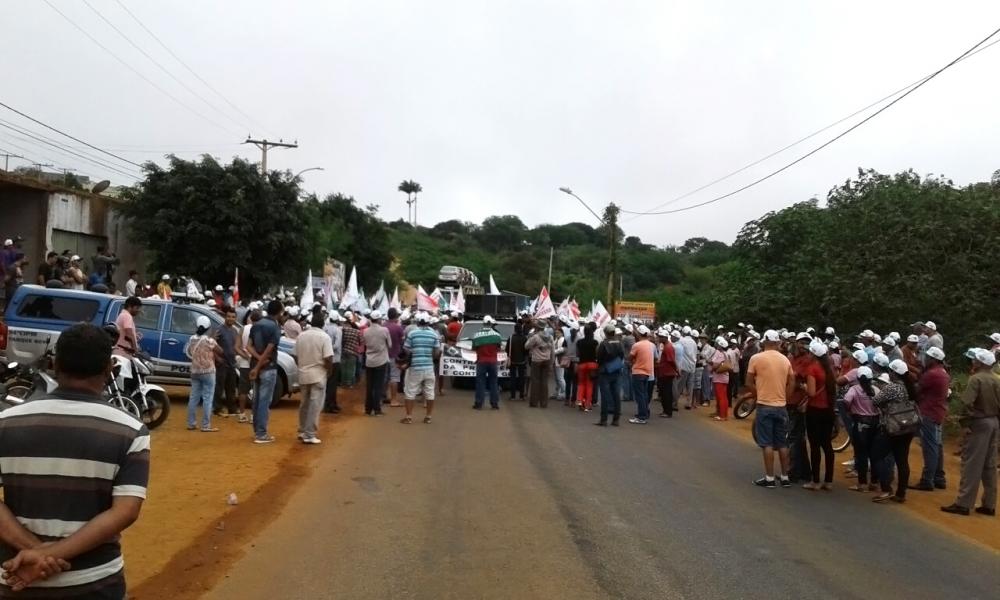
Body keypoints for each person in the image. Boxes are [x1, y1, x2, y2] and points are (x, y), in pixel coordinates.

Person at [0, 323, 149, 598]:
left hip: (18, 577)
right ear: (109, 369)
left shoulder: (6, 422)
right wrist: (50, 555)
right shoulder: (130, 430)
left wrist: (34, 551)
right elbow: (125, 511)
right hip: (94, 581)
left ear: (55, 365)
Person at [941, 348, 999, 516]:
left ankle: (964, 503)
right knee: (989, 464)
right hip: (994, 422)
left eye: (975, 360)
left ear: (980, 363)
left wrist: (965, 422)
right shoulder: (997, 379)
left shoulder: (976, 379)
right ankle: (989, 504)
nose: (973, 362)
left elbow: (967, 402)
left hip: (979, 422)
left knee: (972, 463)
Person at [747, 330, 795, 488]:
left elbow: (748, 382)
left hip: (764, 405)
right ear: (777, 343)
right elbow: (792, 382)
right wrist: (785, 398)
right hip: (781, 406)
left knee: (767, 443)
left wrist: (758, 394)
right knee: (782, 443)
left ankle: (769, 478)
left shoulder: (756, 358)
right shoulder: (785, 360)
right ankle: (785, 476)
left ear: (764, 342)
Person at [871, 360, 920, 503]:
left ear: (893, 373)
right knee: (902, 460)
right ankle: (901, 493)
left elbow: (875, 401)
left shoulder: (892, 387)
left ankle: (886, 488)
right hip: (908, 427)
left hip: (893, 427)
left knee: (876, 455)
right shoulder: (910, 387)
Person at [912, 346, 951, 492]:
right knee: (937, 446)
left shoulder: (932, 374)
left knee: (930, 447)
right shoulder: (943, 373)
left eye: (928, 357)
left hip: (929, 412)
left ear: (933, 359)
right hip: (938, 412)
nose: (925, 359)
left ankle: (927, 479)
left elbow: (917, 390)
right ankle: (939, 478)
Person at [801, 339, 837, 490]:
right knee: (827, 445)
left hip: (815, 410)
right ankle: (828, 480)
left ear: (813, 354)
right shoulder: (829, 369)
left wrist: (802, 386)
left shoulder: (813, 369)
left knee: (815, 446)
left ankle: (815, 480)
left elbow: (811, 392)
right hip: (828, 410)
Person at [247, 300, 283, 443]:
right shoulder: (275, 327)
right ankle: (261, 434)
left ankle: (257, 431)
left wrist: (257, 360)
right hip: (268, 368)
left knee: (256, 400)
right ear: (279, 312)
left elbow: (248, 346)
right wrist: (260, 362)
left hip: (256, 365)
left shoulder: (256, 325)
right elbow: (269, 350)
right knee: (264, 401)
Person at [295, 313, 333, 444]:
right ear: (323, 324)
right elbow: (328, 357)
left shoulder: (301, 335)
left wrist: (301, 365)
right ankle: (309, 434)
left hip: (303, 373)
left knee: (304, 404)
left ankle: (302, 430)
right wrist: (329, 370)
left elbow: (295, 355)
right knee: (315, 405)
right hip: (318, 374)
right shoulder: (324, 337)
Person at [843, 366, 881, 492]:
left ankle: (862, 484)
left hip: (860, 424)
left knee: (861, 454)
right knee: (874, 453)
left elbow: (846, 400)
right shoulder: (876, 389)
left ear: (858, 378)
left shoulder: (855, 389)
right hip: (875, 423)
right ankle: (874, 482)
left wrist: (850, 410)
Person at [402, 312, 441, 424]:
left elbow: (406, 348)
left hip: (415, 367)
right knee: (430, 392)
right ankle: (428, 417)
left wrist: (413, 354)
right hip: (429, 367)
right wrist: (431, 357)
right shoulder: (434, 334)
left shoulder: (412, 333)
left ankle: (408, 417)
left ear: (418, 322)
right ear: (428, 322)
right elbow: (437, 351)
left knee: (410, 392)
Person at [184, 315, 221, 433]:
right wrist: (213, 339)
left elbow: (189, 351)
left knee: (193, 397)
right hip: (208, 371)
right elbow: (221, 351)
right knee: (207, 398)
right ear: (208, 327)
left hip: (195, 371)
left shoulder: (191, 339)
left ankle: (191, 423)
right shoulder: (209, 341)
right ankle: (205, 425)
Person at [362, 310, 393, 416]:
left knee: (369, 386)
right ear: (379, 319)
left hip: (369, 361)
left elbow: (365, 343)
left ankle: (368, 409)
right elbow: (389, 345)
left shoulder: (366, 331)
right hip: (381, 361)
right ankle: (377, 409)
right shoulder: (384, 330)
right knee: (378, 386)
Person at [213, 308, 241, 417]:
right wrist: (217, 358)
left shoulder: (235, 331)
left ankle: (232, 409)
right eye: (229, 316)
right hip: (221, 364)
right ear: (225, 317)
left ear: (235, 318)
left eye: (233, 317)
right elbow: (211, 344)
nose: (230, 319)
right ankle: (217, 408)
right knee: (219, 388)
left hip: (232, 364)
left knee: (231, 388)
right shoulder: (219, 330)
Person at [595, 325, 625, 426]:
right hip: (617, 371)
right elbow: (622, 356)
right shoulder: (619, 343)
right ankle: (616, 420)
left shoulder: (604, 344)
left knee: (605, 396)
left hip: (605, 372)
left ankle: (604, 420)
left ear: (606, 333)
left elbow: (599, 358)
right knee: (616, 395)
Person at [472, 316, 503, 410]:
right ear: (491, 323)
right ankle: (494, 404)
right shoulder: (497, 335)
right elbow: (499, 348)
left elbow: (474, 348)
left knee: (480, 382)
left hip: (481, 362)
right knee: (493, 382)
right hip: (493, 362)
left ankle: (479, 403)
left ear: (483, 323)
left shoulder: (477, 335)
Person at [628, 326, 655, 424]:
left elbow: (630, 357)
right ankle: (644, 413)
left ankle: (641, 416)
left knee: (640, 395)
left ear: (639, 334)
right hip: (647, 372)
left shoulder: (637, 345)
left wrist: (633, 361)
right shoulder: (651, 345)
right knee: (643, 394)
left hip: (638, 372)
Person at [235, 307, 257, 423]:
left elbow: (237, 347)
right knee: (255, 389)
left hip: (244, 364)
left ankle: (242, 414)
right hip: (256, 363)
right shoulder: (259, 330)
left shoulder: (243, 329)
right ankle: (253, 415)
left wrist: (245, 356)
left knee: (243, 390)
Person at [525, 321, 554, 409]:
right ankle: (544, 403)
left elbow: (526, 346)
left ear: (537, 327)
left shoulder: (535, 337)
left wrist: (530, 339)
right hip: (547, 360)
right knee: (544, 382)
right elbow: (553, 351)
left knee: (535, 381)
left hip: (536, 361)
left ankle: (534, 402)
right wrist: (551, 363)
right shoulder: (550, 337)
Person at [323, 311, 344, 414]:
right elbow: (337, 345)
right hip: (335, 359)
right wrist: (329, 348)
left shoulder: (325, 328)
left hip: (326, 358)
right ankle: (329, 405)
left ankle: (332, 403)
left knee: (329, 383)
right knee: (332, 383)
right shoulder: (337, 330)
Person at [576, 323, 599, 411]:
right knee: (589, 385)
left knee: (581, 384)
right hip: (592, 365)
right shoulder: (595, 342)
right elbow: (597, 354)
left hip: (581, 364)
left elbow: (577, 354)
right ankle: (587, 405)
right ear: (592, 333)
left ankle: (580, 401)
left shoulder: (579, 342)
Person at [385, 308, 406, 406]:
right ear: (396, 316)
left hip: (383, 356)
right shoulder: (398, 328)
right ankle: (393, 400)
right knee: (394, 377)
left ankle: (384, 396)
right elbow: (403, 342)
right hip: (395, 355)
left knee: (384, 377)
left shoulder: (383, 326)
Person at [656, 329, 678, 418]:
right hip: (665, 372)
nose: (659, 338)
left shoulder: (668, 347)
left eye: (661, 337)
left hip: (667, 373)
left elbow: (671, 360)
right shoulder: (666, 346)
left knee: (666, 393)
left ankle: (667, 411)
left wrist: (676, 369)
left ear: (665, 338)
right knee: (665, 392)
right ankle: (666, 410)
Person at [709, 336, 732, 422]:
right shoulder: (725, 353)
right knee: (722, 397)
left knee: (721, 397)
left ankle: (722, 415)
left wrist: (711, 366)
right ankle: (720, 413)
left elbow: (715, 365)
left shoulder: (719, 353)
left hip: (719, 378)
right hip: (724, 377)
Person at [506, 324, 528, 401]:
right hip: (522, 361)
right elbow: (526, 350)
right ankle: (521, 396)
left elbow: (507, 349)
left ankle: (513, 396)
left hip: (512, 361)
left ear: (515, 329)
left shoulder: (511, 338)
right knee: (522, 378)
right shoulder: (524, 338)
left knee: (513, 378)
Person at [678, 328, 697, 409]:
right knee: (690, 386)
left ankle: (675, 402)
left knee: (680, 385)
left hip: (684, 366)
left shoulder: (682, 341)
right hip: (692, 366)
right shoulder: (694, 342)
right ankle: (688, 403)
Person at [340, 316, 361, 388]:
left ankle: (343, 382)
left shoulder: (345, 330)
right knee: (351, 368)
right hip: (353, 352)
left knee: (344, 367)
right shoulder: (358, 332)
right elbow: (361, 342)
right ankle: (350, 383)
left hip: (344, 351)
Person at [562, 322, 580, 407]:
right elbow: (580, 352)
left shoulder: (566, 338)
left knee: (568, 381)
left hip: (568, 362)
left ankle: (567, 399)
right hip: (576, 362)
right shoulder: (580, 339)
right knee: (575, 382)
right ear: (577, 330)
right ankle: (573, 401)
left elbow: (564, 350)